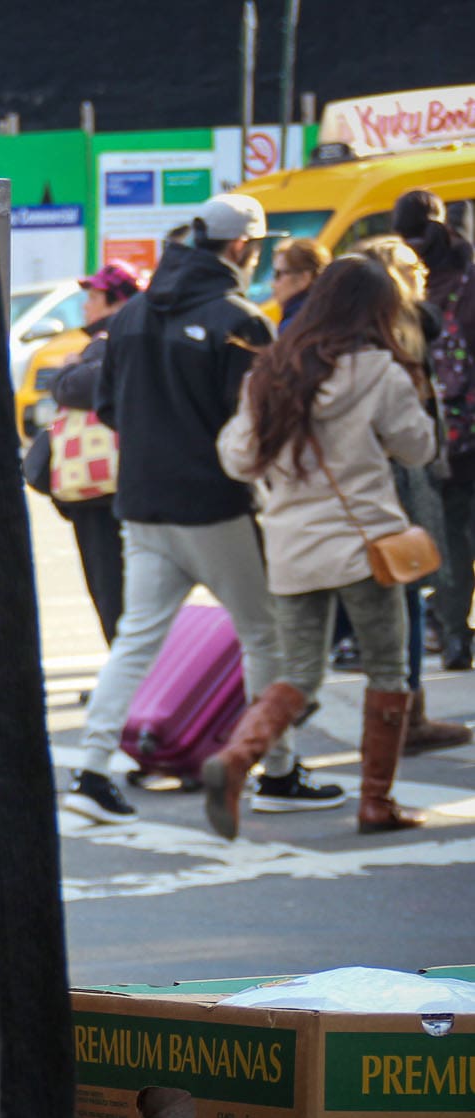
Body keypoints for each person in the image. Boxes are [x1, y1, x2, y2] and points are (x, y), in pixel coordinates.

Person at [63, 193, 345, 823]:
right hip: (214, 504)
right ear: (242, 247)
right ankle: (277, 770)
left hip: (141, 502)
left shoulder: (132, 314)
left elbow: (107, 405)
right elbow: (256, 423)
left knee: (135, 638)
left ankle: (91, 770)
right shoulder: (240, 319)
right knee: (261, 632)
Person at [207, 257, 438, 836]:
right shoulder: (380, 371)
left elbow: (236, 457)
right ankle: (375, 803)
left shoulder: (270, 372)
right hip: (366, 545)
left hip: (291, 547)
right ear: (377, 311)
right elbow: (419, 449)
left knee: (301, 675)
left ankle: (237, 757)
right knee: (387, 668)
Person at [352, 235, 472, 752]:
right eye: (409, 263)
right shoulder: (390, 339)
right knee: (402, 593)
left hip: (400, 474)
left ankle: (408, 711)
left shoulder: (400, 328)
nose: (421, 268)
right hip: (398, 477)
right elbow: (413, 425)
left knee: (405, 593)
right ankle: (406, 716)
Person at [395, 188, 475, 672]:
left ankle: (453, 638)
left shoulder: (402, 282)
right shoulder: (469, 276)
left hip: (435, 433)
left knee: (449, 538)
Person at [44, 259, 143, 644]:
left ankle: (128, 674)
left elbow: (81, 388)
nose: (86, 306)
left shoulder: (115, 340)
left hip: (105, 487)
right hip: (119, 482)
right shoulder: (124, 335)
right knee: (124, 586)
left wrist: (66, 374)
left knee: (111, 586)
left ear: (117, 301)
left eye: (94, 297)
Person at [272, 237, 331, 329]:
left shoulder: (293, 326)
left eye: (278, 274)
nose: (272, 284)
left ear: (304, 278)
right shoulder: (331, 313)